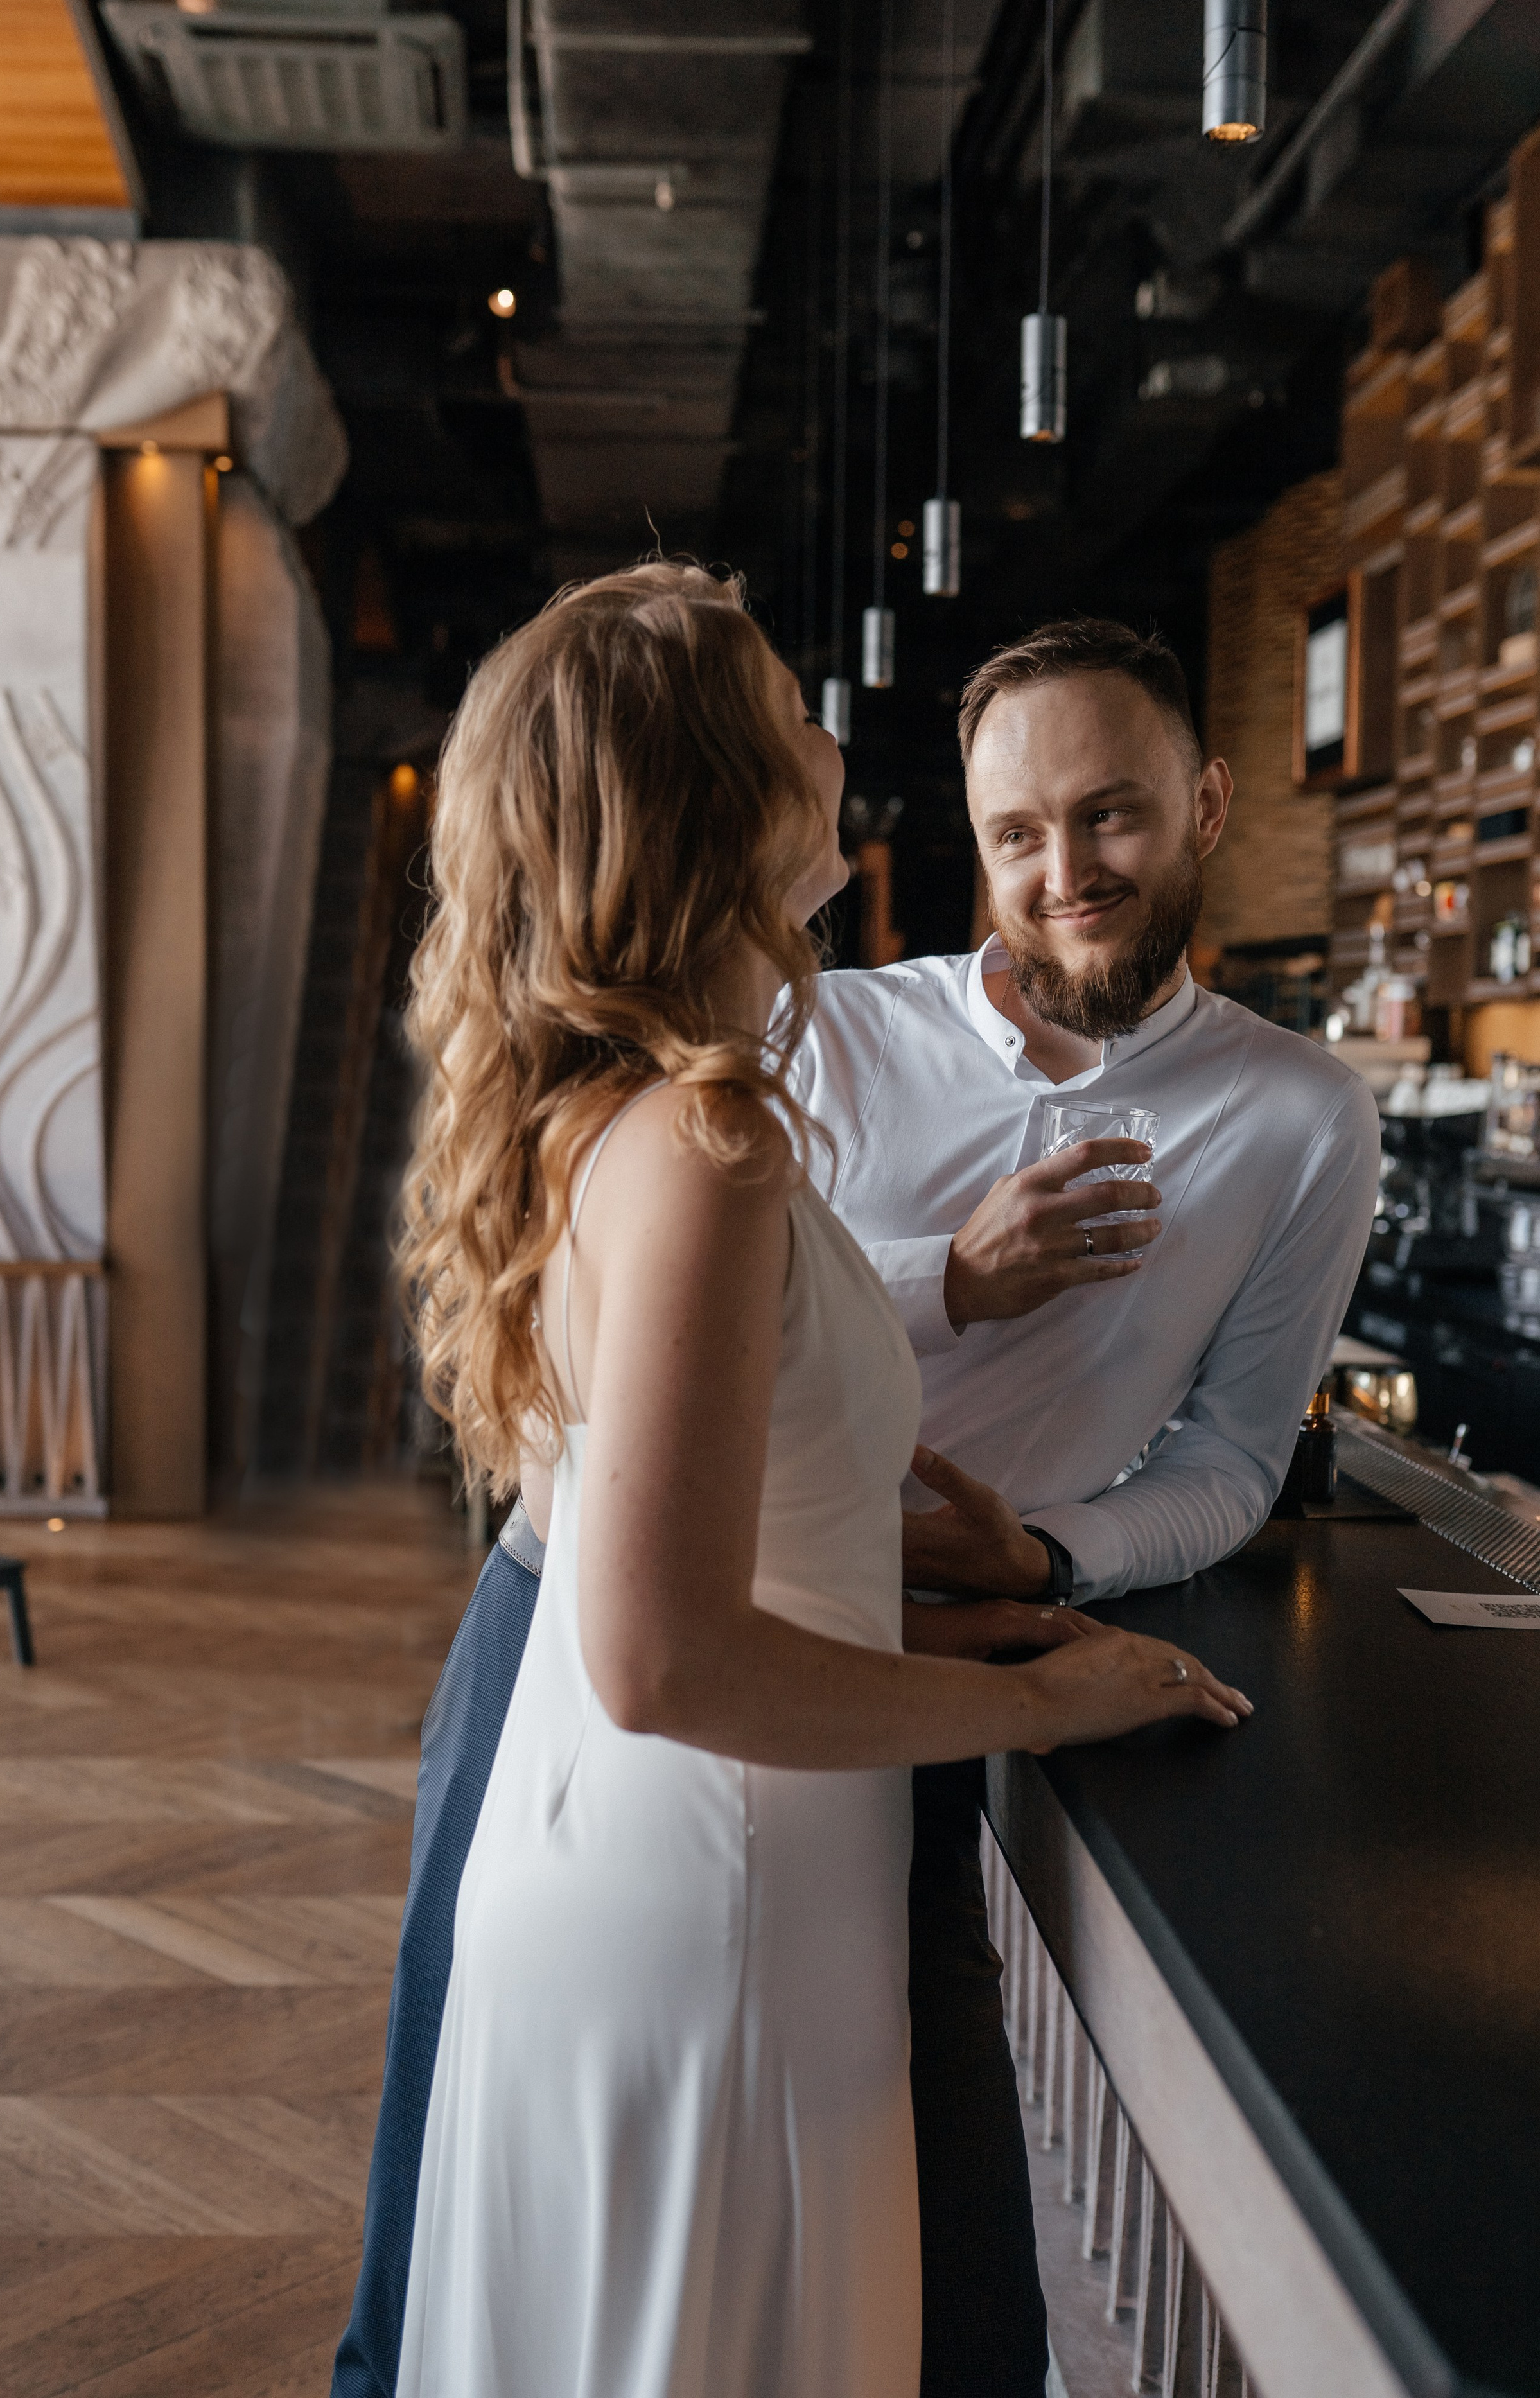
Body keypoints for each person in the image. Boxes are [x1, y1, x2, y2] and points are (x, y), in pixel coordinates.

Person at [368, 564, 1247, 2398]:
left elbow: (717, 1545)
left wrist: (955, 1615)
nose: (830, 731)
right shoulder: (705, 1141)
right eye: (786, 700)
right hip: (717, 1894)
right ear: (720, 793)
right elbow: (663, 1658)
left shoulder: (631, 1111)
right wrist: (1053, 1701)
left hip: (686, 1863)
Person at [785, 617, 1382, 2394]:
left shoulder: (1300, 1118)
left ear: (1207, 805)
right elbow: (675, 1332)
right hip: (736, 1650)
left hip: (952, 1697)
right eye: (1019, 833)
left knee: (948, 2238)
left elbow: (1233, 1461)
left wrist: (1051, 1555)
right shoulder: (826, 1033)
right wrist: (945, 1280)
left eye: (1110, 814)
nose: (1067, 873)